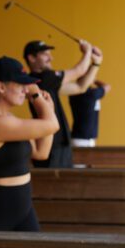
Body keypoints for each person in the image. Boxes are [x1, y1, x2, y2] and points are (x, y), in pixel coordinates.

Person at [0, 56, 59, 231]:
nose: (26, 90)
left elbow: (41, 153)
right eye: (20, 84)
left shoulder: (9, 119)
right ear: (1, 87)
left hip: (22, 207)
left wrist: (48, 109)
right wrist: (37, 97)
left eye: (27, 85)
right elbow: (52, 125)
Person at [23, 39, 102, 168]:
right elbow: (78, 71)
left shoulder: (47, 82)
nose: (51, 57)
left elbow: (80, 86)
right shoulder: (42, 78)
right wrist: (87, 51)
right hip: (50, 146)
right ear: (31, 58)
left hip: (62, 144)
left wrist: (96, 64)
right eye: (45, 54)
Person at [69, 79, 111, 147]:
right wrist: (94, 80)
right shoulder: (92, 93)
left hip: (77, 137)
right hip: (85, 140)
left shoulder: (73, 94)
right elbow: (107, 87)